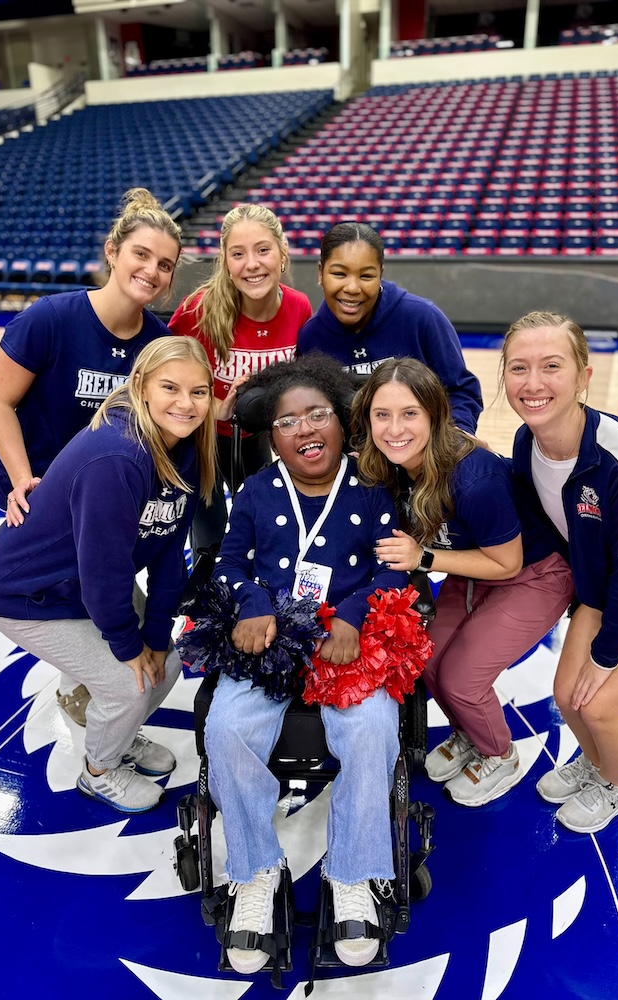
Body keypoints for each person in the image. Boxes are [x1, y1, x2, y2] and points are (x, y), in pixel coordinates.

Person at [201, 354, 407, 975]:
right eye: (288, 421)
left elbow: (392, 566)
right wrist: (253, 605)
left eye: (318, 413)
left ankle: (352, 874)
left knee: (372, 729)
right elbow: (230, 564)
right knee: (225, 728)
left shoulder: (373, 487)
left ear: (343, 420)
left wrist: (351, 613)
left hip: (349, 639)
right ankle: (256, 871)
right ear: (272, 435)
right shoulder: (258, 490)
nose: (305, 429)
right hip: (272, 637)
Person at [0, 337, 217, 815]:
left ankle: (120, 738)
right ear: (142, 386)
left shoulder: (184, 446)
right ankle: (99, 772)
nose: (186, 404)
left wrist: (156, 633)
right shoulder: (117, 458)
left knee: (164, 663)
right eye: (171, 387)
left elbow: (169, 550)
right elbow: (103, 576)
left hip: (83, 579)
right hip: (24, 592)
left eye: (200, 391)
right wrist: (128, 647)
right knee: (128, 681)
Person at [0, 187, 181, 724]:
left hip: (105, 489)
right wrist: (25, 479)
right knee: (58, 581)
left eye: (165, 265)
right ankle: (82, 684)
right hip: (38, 484)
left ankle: (90, 683)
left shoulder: (156, 344)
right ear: (113, 250)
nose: (152, 271)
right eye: (141, 254)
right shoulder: (49, 318)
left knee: (99, 574)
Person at [502, 311, 618, 833]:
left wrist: (607, 657)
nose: (533, 383)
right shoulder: (526, 444)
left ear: (584, 376)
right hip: (605, 590)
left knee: (602, 704)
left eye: (551, 366)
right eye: (518, 368)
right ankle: (595, 762)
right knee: (568, 697)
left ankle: (617, 786)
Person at [352, 358, 574, 807]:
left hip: (531, 574)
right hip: (472, 567)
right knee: (428, 661)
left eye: (410, 413)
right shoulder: (388, 463)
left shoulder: (475, 478)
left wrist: (425, 556)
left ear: (434, 415)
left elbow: (507, 564)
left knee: (461, 679)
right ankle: (470, 733)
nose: (395, 428)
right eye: (382, 415)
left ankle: (500, 754)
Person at [168, 203, 312, 554]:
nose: (251, 264)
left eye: (263, 250)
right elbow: (164, 375)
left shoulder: (299, 308)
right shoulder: (197, 310)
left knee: (265, 528)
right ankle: (204, 598)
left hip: (257, 437)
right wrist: (211, 406)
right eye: (238, 254)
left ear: (283, 253)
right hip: (202, 438)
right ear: (225, 262)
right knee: (210, 535)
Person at [296, 222, 483, 435]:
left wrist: (457, 437)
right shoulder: (310, 338)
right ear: (321, 272)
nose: (352, 288)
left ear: (380, 274)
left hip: (421, 457)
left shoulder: (422, 317)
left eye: (366, 276)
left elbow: (460, 390)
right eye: (339, 274)